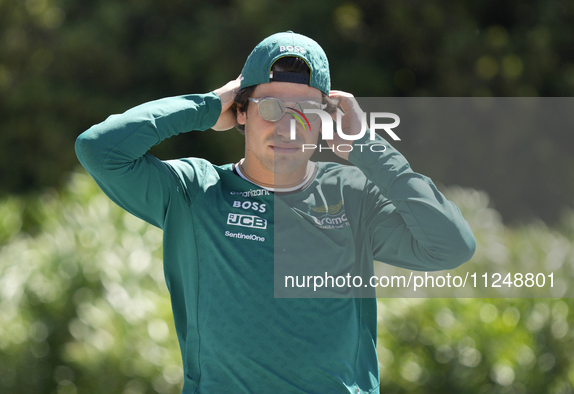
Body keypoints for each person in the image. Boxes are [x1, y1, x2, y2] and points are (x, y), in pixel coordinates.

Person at [76, 31, 476, 394]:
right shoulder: (194, 191)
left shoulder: (352, 196)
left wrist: (366, 148)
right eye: (270, 108)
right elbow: (99, 148)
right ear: (242, 111)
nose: (288, 127)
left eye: (305, 111)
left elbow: (451, 246)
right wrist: (205, 106)